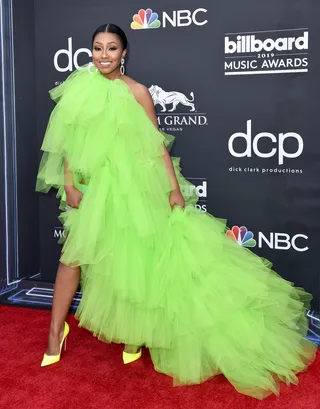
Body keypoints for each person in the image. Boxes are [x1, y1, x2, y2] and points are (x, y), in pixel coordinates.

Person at [36, 23, 316, 399]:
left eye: (112, 48)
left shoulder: (138, 93)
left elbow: (156, 147)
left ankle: (132, 335)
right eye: (98, 48)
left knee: (133, 258)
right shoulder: (79, 88)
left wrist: (172, 190)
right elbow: (68, 141)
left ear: (124, 53)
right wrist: (69, 183)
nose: (104, 55)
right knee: (73, 256)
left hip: (137, 185)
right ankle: (56, 332)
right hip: (94, 185)